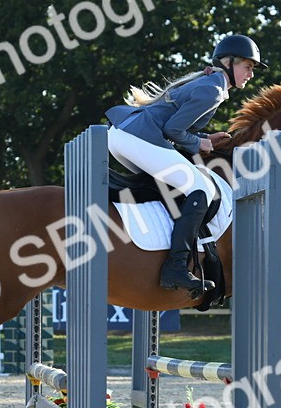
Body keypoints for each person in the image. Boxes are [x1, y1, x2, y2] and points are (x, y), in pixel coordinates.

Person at [105, 34, 267, 296]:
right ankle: (176, 266)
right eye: (248, 66)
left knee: (164, 185)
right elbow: (173, 129)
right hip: (136, 137)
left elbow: (173, 125)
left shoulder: (210, 83)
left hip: (125, 136)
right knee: (200, 190)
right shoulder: (212, 89)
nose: (251, 74)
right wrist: (198, 144)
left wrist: (203, 138)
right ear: (228, 62)